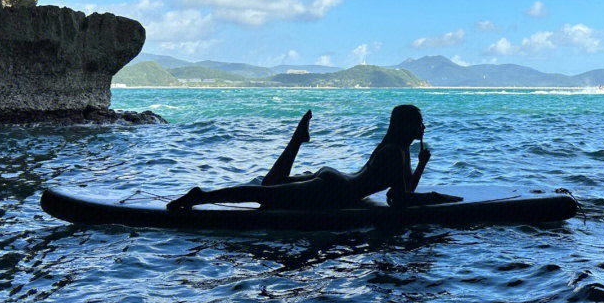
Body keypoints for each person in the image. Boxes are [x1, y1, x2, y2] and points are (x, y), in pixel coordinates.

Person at [166, 105, 457, 210]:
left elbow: (401, 192)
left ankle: (297, 140)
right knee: (264, 195)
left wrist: (421, 165)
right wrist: (436, 197)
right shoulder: (396, 152)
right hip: (333, 189)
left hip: (335, 180)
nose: (423, 127)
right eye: (419, 122)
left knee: (270, 186)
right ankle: (200, 196)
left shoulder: (397, 149)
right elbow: (400, 199)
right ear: (407, 125)